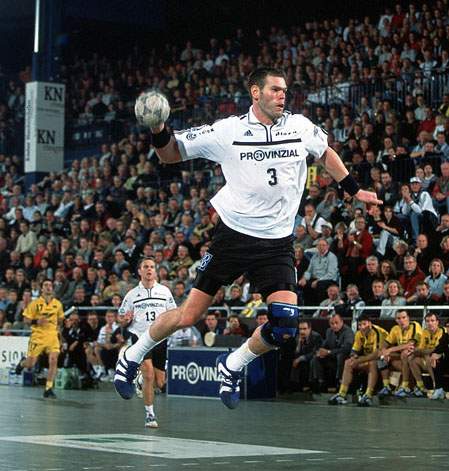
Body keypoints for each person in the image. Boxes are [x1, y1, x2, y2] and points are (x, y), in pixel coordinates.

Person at [114, 66, 380, 409]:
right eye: (274, 90)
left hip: (277, 243)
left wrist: (354, 189)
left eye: (284, 90)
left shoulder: (300, 126)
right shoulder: (229, 131)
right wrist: (158, 128)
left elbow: (325, 152)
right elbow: (170, 154)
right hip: (234, 236)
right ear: (256, 92)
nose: (282, 95)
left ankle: (232, 364)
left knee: (285, 327)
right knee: (189, 315)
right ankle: (132, 355)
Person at [117, 257, 176, 427]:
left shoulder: (164, 291)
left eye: (152, 267)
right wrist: (125, 320)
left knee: (159, 382)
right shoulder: (132, 294)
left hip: (160, 338)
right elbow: (121, 318)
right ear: (139, 271)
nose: (149, 269)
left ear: (155, 271)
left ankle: (140, 380)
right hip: (141, 337)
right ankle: (150, 415)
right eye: (145, 267)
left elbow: (173, 313)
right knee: (149, 373)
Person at [15, 279, 64, 398]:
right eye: (46, 285)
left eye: (50, 285)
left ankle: (48, 388)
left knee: (53, 360)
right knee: (31, 364)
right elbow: (26, 320)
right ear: (41, 288)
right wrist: (36, 321)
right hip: (38, 336)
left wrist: (60, 332)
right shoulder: (35, 303)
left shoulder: (58, 304)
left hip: (52, 336)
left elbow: (60, 320)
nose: (48, 287)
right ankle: (22, 363)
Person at [329, 315, 388, 406]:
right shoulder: (358, 334)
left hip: (384, 359)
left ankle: (368, 395)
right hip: (367, 358)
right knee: (348, 362)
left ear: (370, 324)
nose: (362, 327)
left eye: (364, 324)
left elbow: (377, 354)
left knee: (372, 363)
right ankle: (342, 394)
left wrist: (359, 360)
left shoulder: (377, 332)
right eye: (360, 325)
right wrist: (353, 356)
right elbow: (354, 350)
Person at [378, 309, 423, 397]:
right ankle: (386, 386)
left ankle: (405, 386)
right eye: (399, 318)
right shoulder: (395, 329)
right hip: (403, 357)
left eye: (404, 317)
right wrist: (384, 351)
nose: (401, 320)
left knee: (405, 353)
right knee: (380, 355)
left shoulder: (415, 325)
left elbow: (410, 344)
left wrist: (390, 350)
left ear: (408, 318)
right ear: (396, 320)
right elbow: (386, 343)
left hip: (417, 355)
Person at [309, 313, 354, 392]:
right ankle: (320, 383)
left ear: (342, 322)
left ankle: (339, 383)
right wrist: (320, 351)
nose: (334, 325)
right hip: (332, 357)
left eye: (336, 323)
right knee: (316, 358)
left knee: (340, 355)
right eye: (332, 323)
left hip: (344, 358)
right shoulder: (329, 331)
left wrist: (329, 352)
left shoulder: (348, 332)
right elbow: (325, 344)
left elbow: (346, 349)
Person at [409, 312, 446, 397]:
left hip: (442, 359)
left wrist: (422, 351)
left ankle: (436, 386)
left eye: (432, 321)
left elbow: (436, 349)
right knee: (412, 358)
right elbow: (421, 348)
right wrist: (415, 351)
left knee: (429, 356)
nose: (430, 323)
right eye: (427, 321)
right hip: (429, 359)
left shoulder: (442, 331)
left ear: (437, 322)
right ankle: (420, 386)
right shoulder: (425, 332)